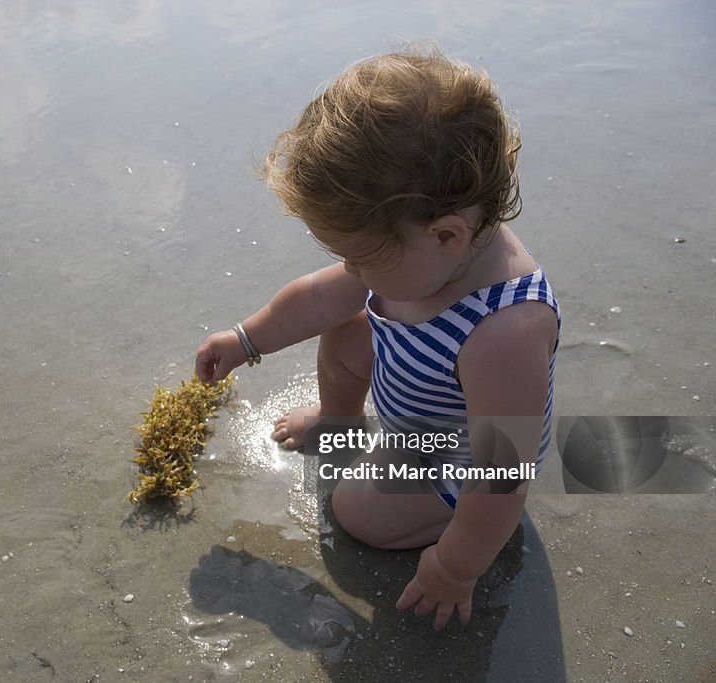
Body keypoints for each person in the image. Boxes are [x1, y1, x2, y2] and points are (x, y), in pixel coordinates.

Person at [195, 45, 560, 630]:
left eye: (359, 257)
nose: (350, 269)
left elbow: (503, 471)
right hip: (418, 401)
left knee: (357, 513)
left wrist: (459, 563)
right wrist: (246, 339)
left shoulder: (505, 333)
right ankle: (340, 419)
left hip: (459, 461)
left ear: (446, 237)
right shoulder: (429, 246)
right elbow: (316, 297)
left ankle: (453, 523)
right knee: (344, 316)